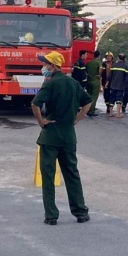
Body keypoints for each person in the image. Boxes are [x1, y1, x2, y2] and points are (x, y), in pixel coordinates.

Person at [31, 51, 91, 226]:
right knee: (72, 174)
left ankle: (51, 216)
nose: (44, 67)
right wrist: (76, 120)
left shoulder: (50, 83)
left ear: (53, 66)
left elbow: (35, 104)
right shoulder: (73, 83)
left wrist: (41, 122)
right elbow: (87, 103)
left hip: (50, 137)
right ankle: (81, 212)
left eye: (46, 64)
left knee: (48, 177)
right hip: (68, 137)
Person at [107, 54, 128, 118]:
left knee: (112, 98)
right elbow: (127, 78)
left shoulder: (114, 65)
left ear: (118, 58)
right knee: (119, 99)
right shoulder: (126, 66)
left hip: (113, 85)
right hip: (120, 86)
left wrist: (107, 83)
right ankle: (118, 114)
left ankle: (111, 113)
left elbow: (110, 76)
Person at [84, 50, 102, 117]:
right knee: (94, 96)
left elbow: (85, 70)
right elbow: (100, 68)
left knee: (89, 95)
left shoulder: (89, 62)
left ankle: (87, 109)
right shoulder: (98, 62)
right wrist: (99, 75)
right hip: (95, 81)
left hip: (89, 80)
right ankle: (91, 110)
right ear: (99, 56)